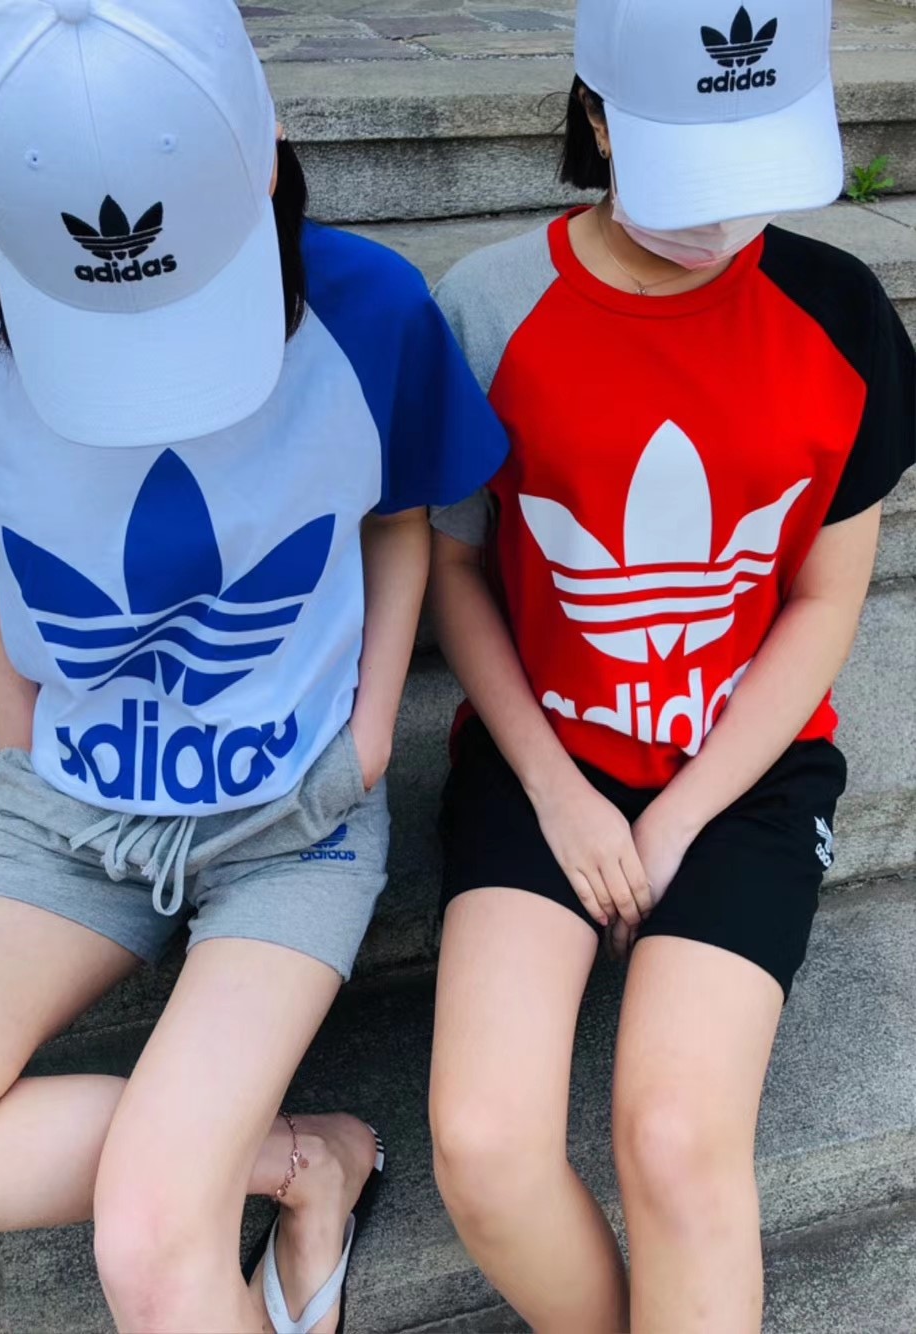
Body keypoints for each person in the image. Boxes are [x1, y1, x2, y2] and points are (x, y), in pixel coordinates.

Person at [0, 3, 507, 1332]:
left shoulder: (370, 307)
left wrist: (369, 734)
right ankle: (298, 1159)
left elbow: (399, 511)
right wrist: (19, 732)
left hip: (292, 818)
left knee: (156, 1248)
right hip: (69, 812)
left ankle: (219, 1163)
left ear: (264, 152)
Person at [426, 0, 915, 1329]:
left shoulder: (837, 309)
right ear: (596, 117)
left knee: (677, 1142)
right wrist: (561, 795)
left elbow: (824, 596)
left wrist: (686, 808)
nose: (721, 218)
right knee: (481, 1146)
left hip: (749, 772)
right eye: (690, 170)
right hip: (545, 753)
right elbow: (456, 570)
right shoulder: (490, 306)